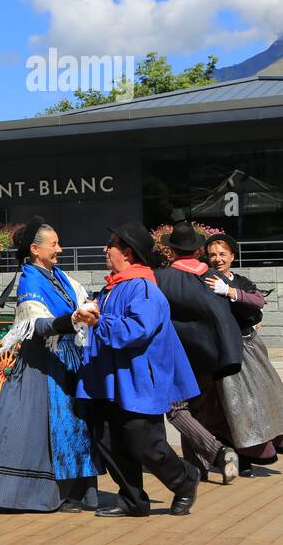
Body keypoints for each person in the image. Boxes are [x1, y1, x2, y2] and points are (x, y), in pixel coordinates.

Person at [0, 219, 99, 513]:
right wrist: (73, 319)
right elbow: (36, 324)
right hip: (42, 366)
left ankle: (76, 492)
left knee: (73, 427)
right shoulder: (31, 280)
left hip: (67, 362)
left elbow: (81, 300)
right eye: (54, 244)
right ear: (35, 250)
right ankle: (43, 493)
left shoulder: (58, 276)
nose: (60, 249)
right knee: (38, 429)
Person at [75, 221, 201, 518]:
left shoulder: (143, 287)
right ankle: (132, 499)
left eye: (112, 245)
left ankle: (184, 480)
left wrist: (98, 322)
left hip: (137, 379)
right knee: (108, 439)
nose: (106, 250)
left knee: (144, 442)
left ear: (128, 252)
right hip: (109, 380)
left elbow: (137, 330)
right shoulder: (116, 286)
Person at [154, 222, 246, 483]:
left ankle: (216, 454)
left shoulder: (160, 278)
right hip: (211, 354)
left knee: (178, 409)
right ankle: (198, 466)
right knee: (200, 408)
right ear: (197, 250)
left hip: (178, 354)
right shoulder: (214, 278)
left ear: (171, 251)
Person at [202, 233, 283, 474]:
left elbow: (258, 301)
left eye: (222, 254)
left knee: (265, 396)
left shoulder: (241, 281)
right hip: (224, 352)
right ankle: (241, 454)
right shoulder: (205, 280)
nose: (217, 259)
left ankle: (264, 444)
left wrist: (230, 291)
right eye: (212, 254)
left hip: (250, 349)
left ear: (232, 256)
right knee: (232, 405)